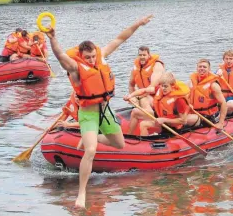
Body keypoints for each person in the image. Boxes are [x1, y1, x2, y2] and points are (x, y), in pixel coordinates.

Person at [45, 14, 153, 209]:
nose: (93, 59)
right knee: (91, 150)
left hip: (106, 111)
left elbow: (120, 38)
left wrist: (138, 23)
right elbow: (61, 56)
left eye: (94, 55)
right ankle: (81, 193)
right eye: (88, 57)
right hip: (88, 113)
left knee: (119, 144)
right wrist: (53, 39)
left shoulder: (100, 56)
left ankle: (90, 138)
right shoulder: (75, 67)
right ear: (81, 56)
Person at [126, 71, 200, 136]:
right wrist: (130, 96)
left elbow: (183, 121)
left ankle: (144, 146)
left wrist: (164, 120)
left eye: (165, 86)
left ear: (172, 86)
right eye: (161, 85)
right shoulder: (159, 89)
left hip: (173, 126)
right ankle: (129, 137)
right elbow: (144, 91)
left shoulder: (179, 100)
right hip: (163, 120)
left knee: (144, 124)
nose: (163, 88)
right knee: (137, 114)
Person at [123, 46, 164, 134]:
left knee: (143, 99)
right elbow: (131, 84)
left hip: (156, 96)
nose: (142, 57)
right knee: (141, 99)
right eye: (140, 55)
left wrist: (137, 96)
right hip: (142, 94)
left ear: (149, 55)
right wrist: (133, 98)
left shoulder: (157, 65)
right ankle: (129, 135)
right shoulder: (136, 67)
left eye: (144, 55)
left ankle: (130, 135)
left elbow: (151, 88)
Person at [189, 59, 227, 130]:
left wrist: (221, 123)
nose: (202, 68)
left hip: (208, 116)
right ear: (197, 68)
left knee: (184, 119)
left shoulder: (213, 85)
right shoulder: (192, 82)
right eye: (200, 67)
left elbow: (223, 103)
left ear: (209, 69)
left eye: (204, 67)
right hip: (194, 112)